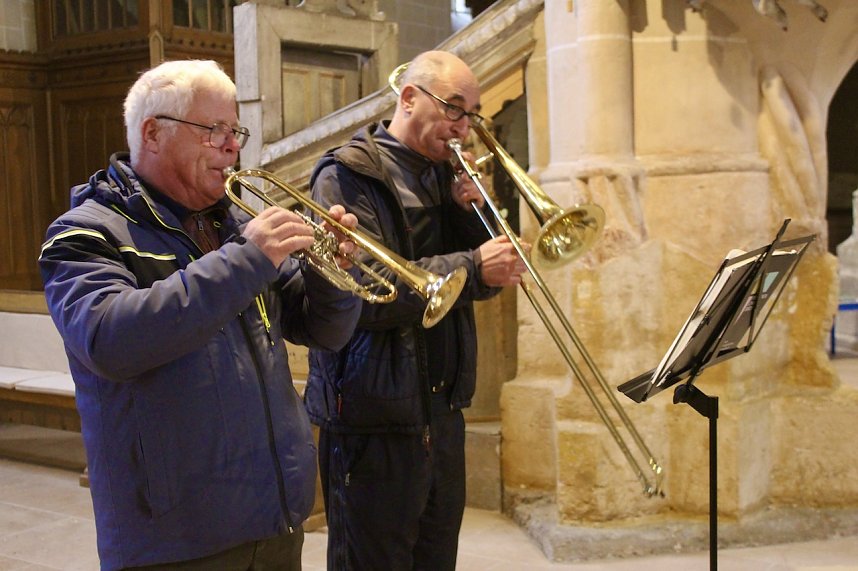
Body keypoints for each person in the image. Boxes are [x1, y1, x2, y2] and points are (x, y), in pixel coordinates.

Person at [38, 59, 362, 571]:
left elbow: (325, 331)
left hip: (275, 519)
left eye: (235, 131)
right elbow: (108, 339)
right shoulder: (85, 234)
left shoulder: (234, 225)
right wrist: (247, 260)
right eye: (214, 130)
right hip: (173, 539)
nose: (232, 146)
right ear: (154, 133)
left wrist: (331, 271)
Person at [305, 50, 527, 570]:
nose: (464, 127)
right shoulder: (346, 175)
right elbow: (366, 292)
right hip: (371, 417)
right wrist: (472, 263)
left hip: (441, 412)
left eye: (471, 113)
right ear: (409, 97)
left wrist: (472, 214)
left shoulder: (442, 173)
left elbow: (478, 289)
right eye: (455, 108)